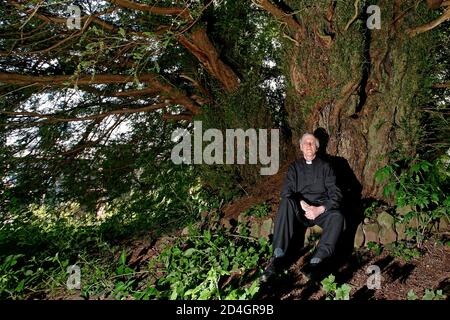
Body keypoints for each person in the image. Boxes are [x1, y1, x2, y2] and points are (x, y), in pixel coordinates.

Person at [260, 133, 345, 283]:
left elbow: (336, 194)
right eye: (305, 143)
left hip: (319, 210)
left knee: (337, 216)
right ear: (300, 147)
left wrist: (319, 209)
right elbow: (286, 192)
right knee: (286, 202)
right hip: (300, 209)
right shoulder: (294, 167)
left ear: (317, 147)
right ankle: (277, 257)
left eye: (312, 142)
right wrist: (304, 205)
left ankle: (316, 262)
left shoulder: (326, 167)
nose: (308, 145)